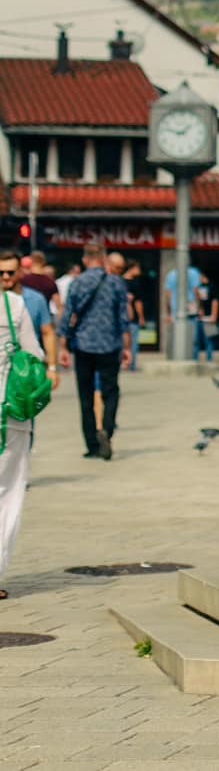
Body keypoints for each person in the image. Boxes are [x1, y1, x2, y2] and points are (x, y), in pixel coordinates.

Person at [0, 249, 58, 600]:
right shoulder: (16, 306)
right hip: (10, 416)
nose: (6, 280)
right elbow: (33, 355)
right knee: (7, 492)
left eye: (9, 273)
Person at [61, 242, 133, 461]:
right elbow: (123, 317)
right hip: (109, 345)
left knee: (86, 396)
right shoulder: (116, 283)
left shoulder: (77, 283)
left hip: (83, 345)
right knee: (111, 391)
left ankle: (92, 445)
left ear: (84, 260)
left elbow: (67, 316)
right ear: (103, 259)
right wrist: (127, 346)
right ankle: (107, 430)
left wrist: (63, 346)